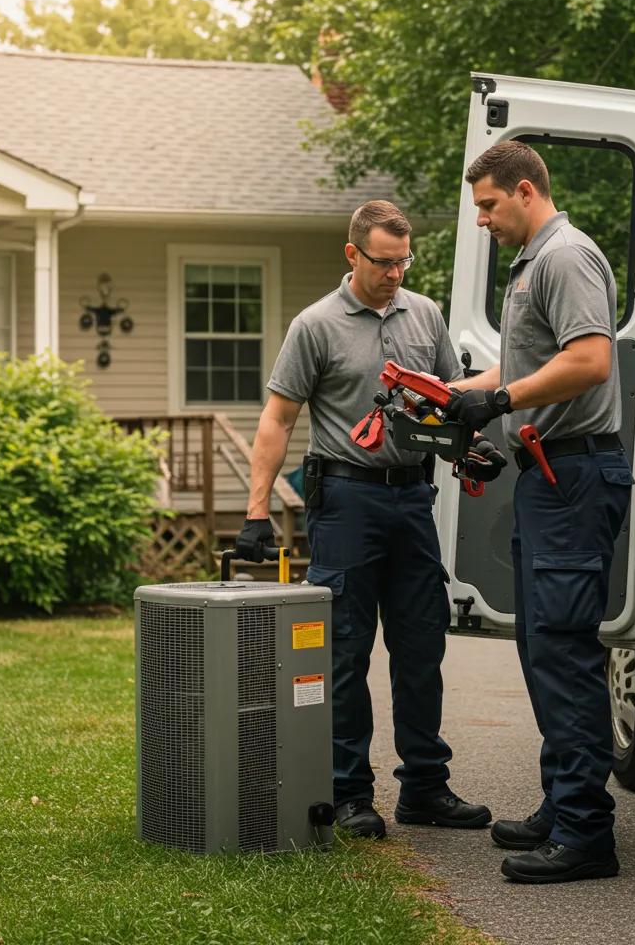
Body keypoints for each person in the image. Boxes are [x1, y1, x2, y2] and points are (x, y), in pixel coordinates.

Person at [235, 200, 500, 839]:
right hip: (347, 502)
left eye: (404, 261)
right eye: (384, 262)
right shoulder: (315, 325)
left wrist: (468, 444)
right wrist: (257, 510)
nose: (395, 274)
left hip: (413, 499)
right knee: (345, 652)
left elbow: (446, 399)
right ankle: (350, 793)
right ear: (352, 255)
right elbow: (278, 418)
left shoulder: (426, 314)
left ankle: (425, 789)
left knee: (421, 646)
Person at [447, 141, 634, 884]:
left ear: (525, 191)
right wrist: (460, 392)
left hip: (576, 474)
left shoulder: (565, 257)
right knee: (543, 651)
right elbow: (529, 367)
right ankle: (563, 804)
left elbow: (590, 360)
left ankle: (588, 834)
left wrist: (498, 400)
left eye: (489, 206)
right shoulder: (533, 262)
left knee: (563, 650)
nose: (484, 220)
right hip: (548, 478)